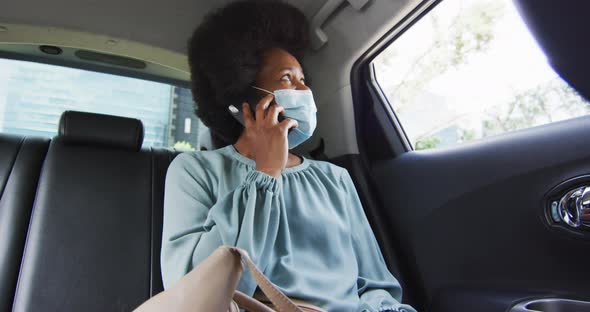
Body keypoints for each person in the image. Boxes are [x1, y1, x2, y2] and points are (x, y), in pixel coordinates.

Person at [160, 1, 416, 311]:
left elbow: (375, 284)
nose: (303, 90)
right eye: (286, 79)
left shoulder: (334, 178)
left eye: (303, 80)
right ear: (243, 97)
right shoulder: (194, 171)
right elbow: (194, 290)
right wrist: (266, 172)